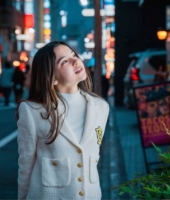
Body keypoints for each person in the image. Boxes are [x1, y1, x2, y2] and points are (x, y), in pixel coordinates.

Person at [15, 41, 109, 200]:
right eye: (64, 61)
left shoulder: (101, 107)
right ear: (52, 78)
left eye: (73, 55)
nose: (76, 61)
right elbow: (26, 164)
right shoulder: (32, 111)